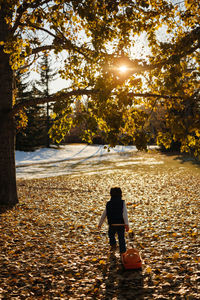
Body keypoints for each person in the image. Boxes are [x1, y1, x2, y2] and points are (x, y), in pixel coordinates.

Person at [98, 187, 129, 256]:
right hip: (121, 224)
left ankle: (113, 245)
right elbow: (125, 214)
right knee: (121, 238)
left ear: (111, 194)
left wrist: (100, 224)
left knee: (111, 235)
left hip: (112, 224)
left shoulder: (108, 204)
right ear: (120, 194)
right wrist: (126, 224)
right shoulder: (122, 203)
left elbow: (104, 214)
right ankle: (122, 252)